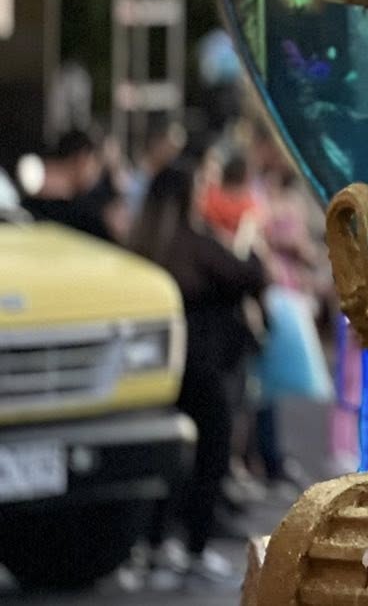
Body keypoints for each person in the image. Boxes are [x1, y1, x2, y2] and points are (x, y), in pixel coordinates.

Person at [130, 161, 270, 584]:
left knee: (160, 460)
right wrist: (250, 245)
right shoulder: (196, 244)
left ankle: (151, 545)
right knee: (211, 456)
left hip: (155, 370)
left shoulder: (140, 244)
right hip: (204, 367)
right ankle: (195, 547)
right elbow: (251, 276)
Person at [23, 126, 116, 240]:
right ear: (82, 159)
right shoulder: (86, 220)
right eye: (96, 165)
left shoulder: (82, 213)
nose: (97, 175)